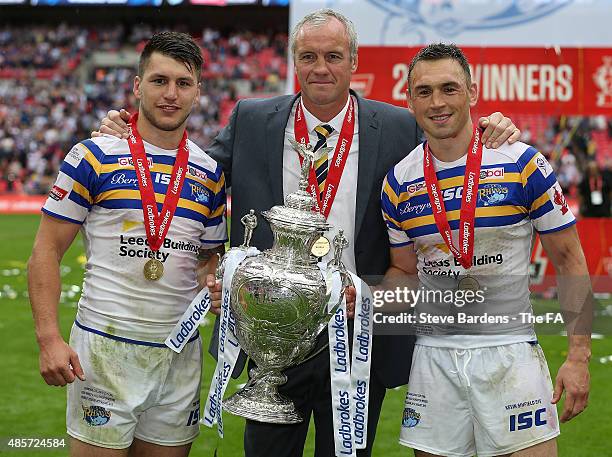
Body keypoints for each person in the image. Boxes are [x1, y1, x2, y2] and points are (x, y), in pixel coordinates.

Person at [96, 10, 520, 457]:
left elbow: (452, 147)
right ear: (293, 61)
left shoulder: (397, 126)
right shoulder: (252, 119)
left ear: (354, 61)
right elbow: (193, 176)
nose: (321, 67)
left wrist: (494, 129)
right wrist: (128, 137)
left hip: (356, 336)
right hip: (269, 333)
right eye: (309, 56)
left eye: (334, 56)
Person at [381, 43, 591, 457]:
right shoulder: (398, 182)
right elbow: (403, 273)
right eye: (423, 91)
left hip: (510, 353)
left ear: (472, 93)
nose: (437, 102)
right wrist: (364, 300)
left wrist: (579, 357)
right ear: (409, 100)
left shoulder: (523, 164)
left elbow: (569, 260)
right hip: (434, 356)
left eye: (449, 88)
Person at [28, 32, 227, 457]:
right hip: (103, 351)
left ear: (198, 92)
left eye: (183, 83)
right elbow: (46, 251)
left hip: (178, 352)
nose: (171, 94)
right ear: (137, 86)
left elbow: (208, 260)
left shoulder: (209, 173)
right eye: (159, 81)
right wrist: (48, 338)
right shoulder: (92, 156)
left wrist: (215, 282)